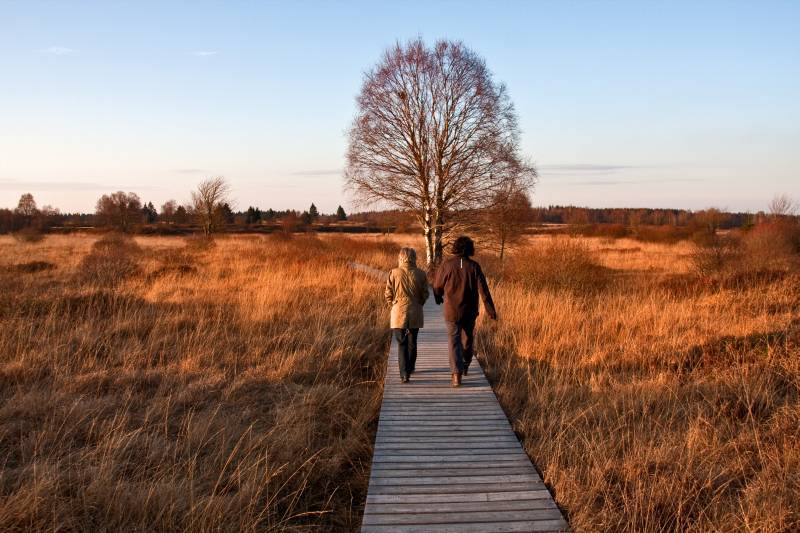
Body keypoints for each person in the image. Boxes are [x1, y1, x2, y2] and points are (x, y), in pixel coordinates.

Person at [433, 236, 497, 387]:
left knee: (453, 341)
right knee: (467, 339)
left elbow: (437, 285)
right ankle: (465, 364)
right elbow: (484, 291)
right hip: (469, 311)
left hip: (451, 311)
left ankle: (456, 374)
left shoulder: (447, 265)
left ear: (455, 247)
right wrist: (490, 310)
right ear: (470, 249)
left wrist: (438, 297)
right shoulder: (474, 266)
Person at [384, 247, 429, 383]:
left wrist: (393, 304)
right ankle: (411, 367)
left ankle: (404, 374)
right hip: (415, 310)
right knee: (412, 341)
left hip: (398, 311)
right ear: (414, 258)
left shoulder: (393, 273)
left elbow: (388, 293)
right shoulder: (421, 274)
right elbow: (425, 293)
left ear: (401, 257)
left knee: (401, 343)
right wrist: (419, 303)